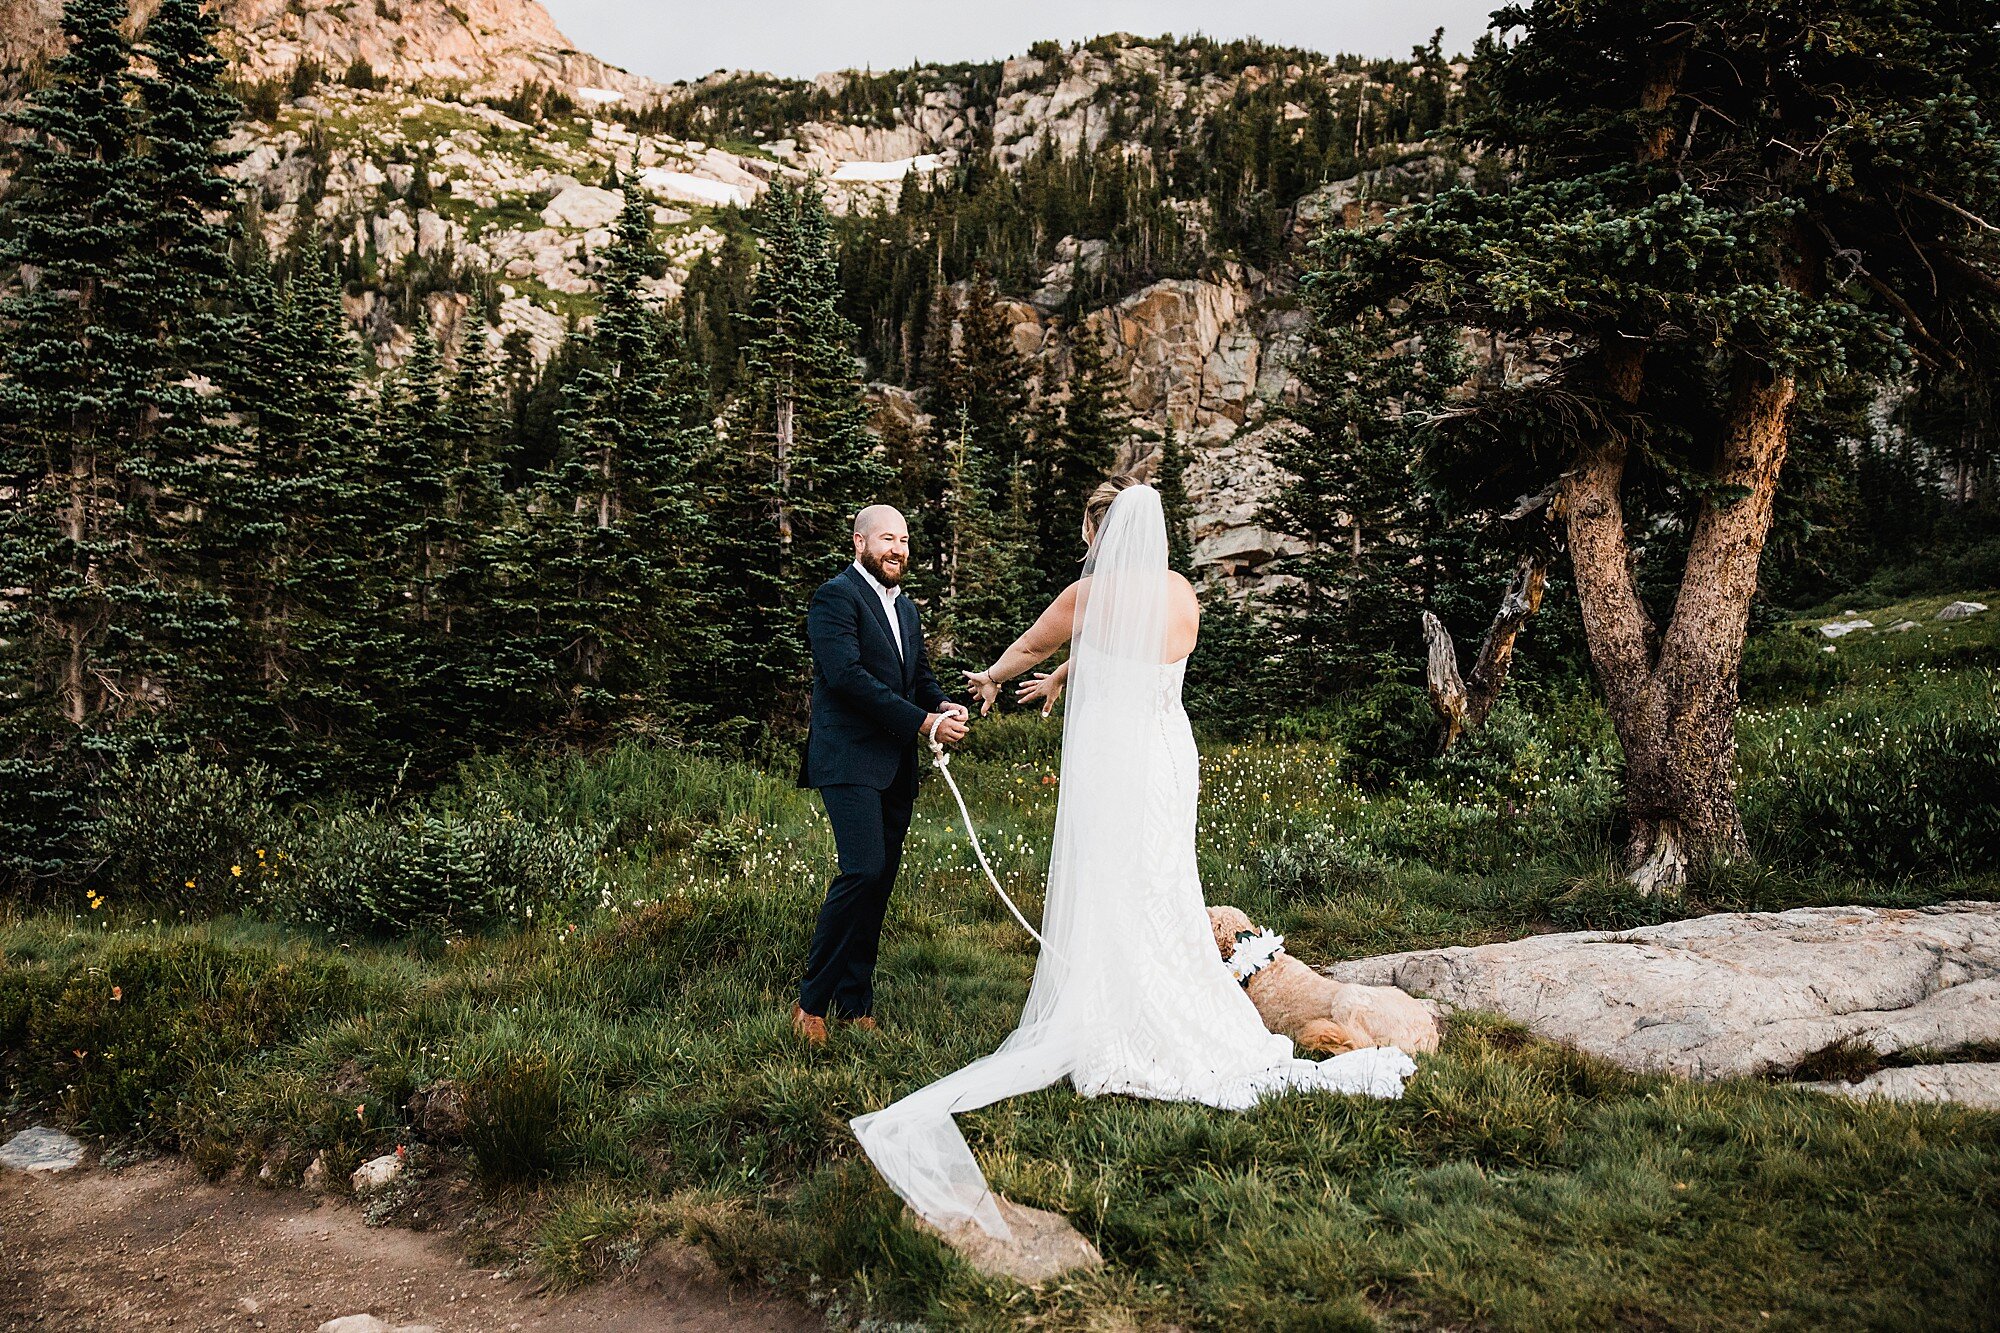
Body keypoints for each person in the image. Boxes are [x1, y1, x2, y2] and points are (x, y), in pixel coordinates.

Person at [849, 476, 1417, 1241]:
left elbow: (1032, 642)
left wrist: (994, 677)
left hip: (1116, 757)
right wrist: (1064, 674)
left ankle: (1119, 1005)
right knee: (1163, 878)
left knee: (1115, 879)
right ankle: (1165, 989)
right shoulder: (1179, 592)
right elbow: (1130, 653)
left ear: (1099, 533)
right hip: (1169, 753)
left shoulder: (1090, 593)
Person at [793, 505, 969, 1045]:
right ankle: (810, 1004)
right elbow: (846, 678)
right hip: (847, 758)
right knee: (863, 871)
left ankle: (854, 1001)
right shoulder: (835, 597)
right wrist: (924, 722)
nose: (898, 549)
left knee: (881, 882)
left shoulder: (907, 609)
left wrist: (942, 704)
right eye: (888, 539)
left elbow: (918, 677)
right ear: (859, 542)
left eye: (906, 540)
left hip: (895, 766)